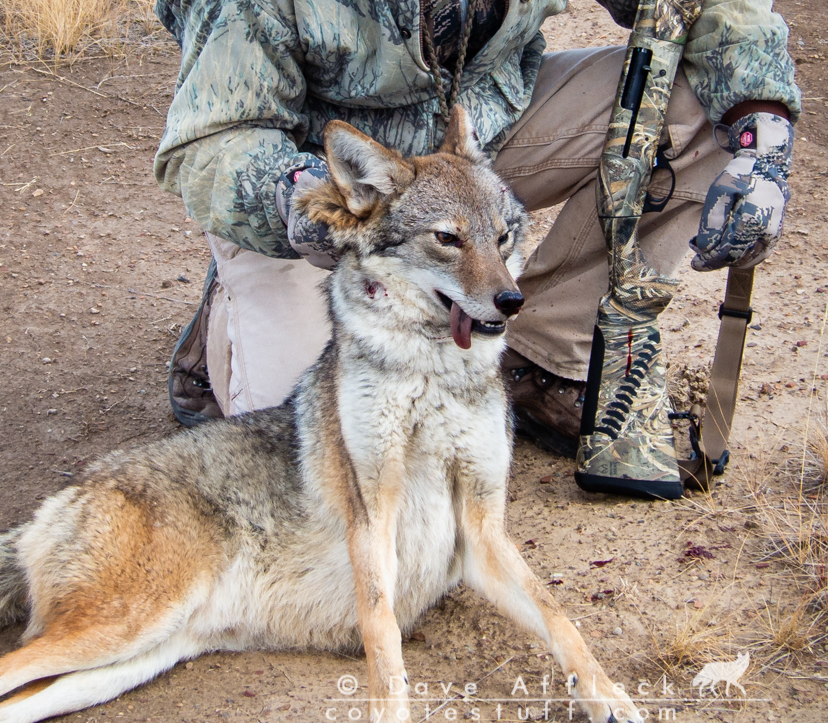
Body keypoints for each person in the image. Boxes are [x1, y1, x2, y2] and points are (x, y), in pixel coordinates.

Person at [153, 0, 800, 457]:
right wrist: (310, 212)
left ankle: (541, 363)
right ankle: (223, 335)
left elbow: (708, 5)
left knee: (691, 106)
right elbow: (214, 140)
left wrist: (764, 139)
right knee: (310, 446)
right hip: (324, 185)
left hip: (473, 147)